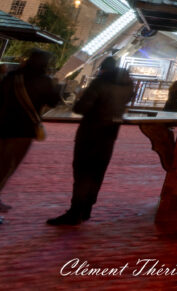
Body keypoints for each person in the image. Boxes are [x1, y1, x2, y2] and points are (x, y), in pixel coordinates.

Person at [47, 56, 134, 226]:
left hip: (91, 132)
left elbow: (81, 108)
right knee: (98, 172)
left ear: (103, 69)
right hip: (110, 133)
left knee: (83, 173)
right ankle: (87, 209)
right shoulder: (128, 85)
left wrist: (81, 98)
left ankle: (75, 212)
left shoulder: (100, 83)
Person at [0, 49, 61, 222]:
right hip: (23, 130)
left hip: (3, 125)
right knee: (7, 167)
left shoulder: (13, 77)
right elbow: (54, 101)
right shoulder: (44, 81)